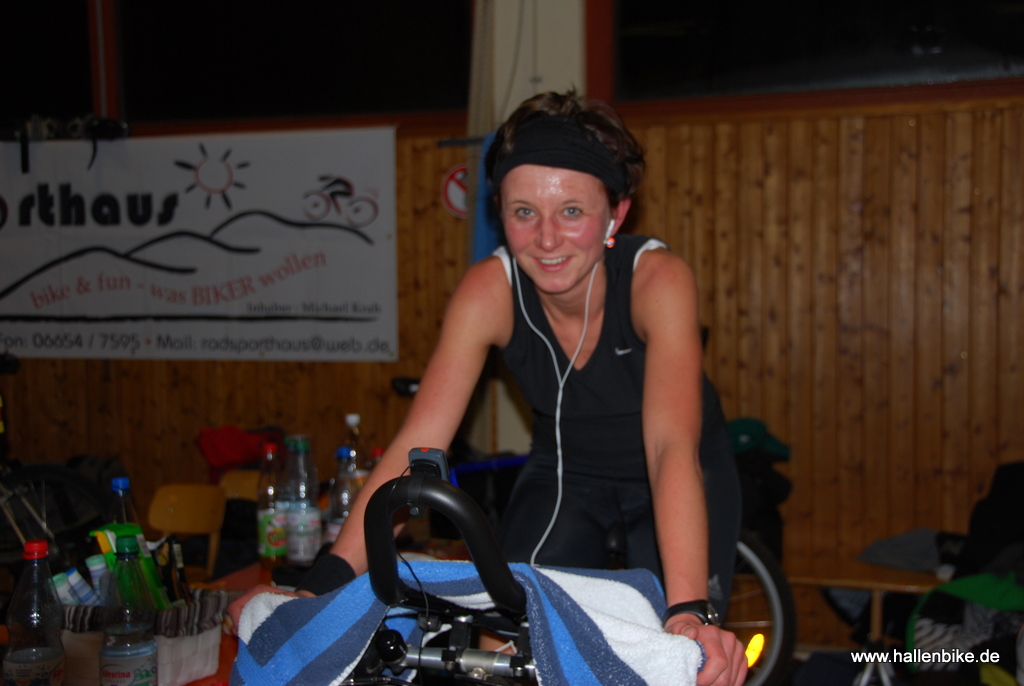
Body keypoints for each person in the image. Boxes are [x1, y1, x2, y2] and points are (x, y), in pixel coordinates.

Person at [230, 90, 746, 686]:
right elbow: (417, 445)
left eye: (571, 211)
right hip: (566, 473)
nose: (547, 239)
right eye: (524, 212)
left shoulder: (658, 280)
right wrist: (319, 585)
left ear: (616, 214)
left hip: (677, 472)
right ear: (499, 212)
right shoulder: (488, 291)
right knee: (502, 645)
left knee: (673, 651)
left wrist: (689, 611)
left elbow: (669, 448)